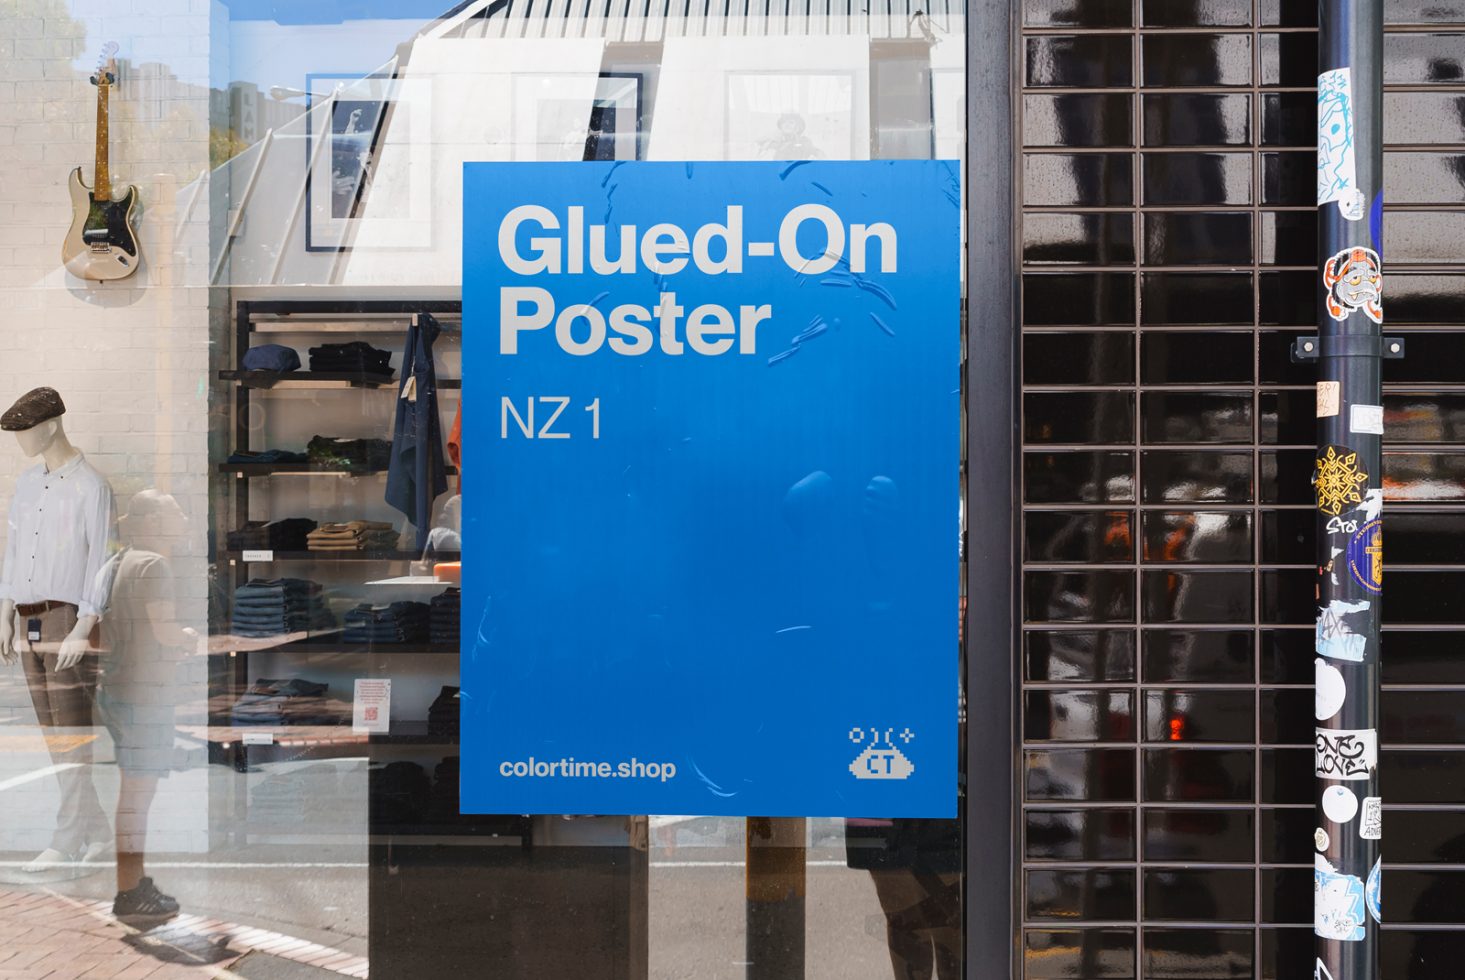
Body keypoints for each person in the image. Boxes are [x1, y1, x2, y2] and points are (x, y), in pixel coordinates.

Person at [0, 387, 114, 872]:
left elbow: (102, 558)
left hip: (66, 617)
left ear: (49, 426)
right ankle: (97, 833)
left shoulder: (91, 486)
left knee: (71, 729)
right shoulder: (26, 485)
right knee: (52, 732)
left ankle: (66, 840)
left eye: (24, 430)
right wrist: (5, 610)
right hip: (26, 618)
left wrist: (84, 625)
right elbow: (13, 547)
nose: (20, 440)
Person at [96, 489, 194, 921]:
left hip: (120, 690)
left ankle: (132, 884)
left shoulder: (119, 563)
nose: (184, 518)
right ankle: (130, 892)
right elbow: (165, 630)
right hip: (144, 695)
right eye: (175, 512)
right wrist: (188, 638)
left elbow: (102, 629)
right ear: (153, 522)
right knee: (137, 797)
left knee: (133, 794)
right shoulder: (155, 566)